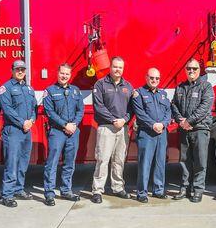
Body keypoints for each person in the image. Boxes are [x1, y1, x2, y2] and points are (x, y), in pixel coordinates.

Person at [90, 56, 134, 204]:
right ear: (110, 67)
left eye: (120, 67)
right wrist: (113, 120)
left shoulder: (128, 86)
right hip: (106, 127)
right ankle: (97, 190)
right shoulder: (100, 84)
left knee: (119, 160)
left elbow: (132, 108)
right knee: (102, 159)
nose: (117, 69)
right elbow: (98, 106)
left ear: (123, 69)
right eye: (115, 66)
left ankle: (117, 187)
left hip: (122, 128)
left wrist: (125, 120)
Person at [171, 59, 214, 202]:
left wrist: (188, 121)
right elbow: (174, 105)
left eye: (194, 69)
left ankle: (197, 190)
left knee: (200, 161)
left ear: (199, 70)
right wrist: (181, 121)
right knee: (184, 160)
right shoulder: (180, 87)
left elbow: (205, 107)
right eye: (189, 68)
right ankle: (184, 188)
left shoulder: (206, 86)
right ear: (185, 70)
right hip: (184, 130)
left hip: (200, 129)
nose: (191, 71)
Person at [42, 63, 84, 204]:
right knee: (52, 162)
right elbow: (50, 112)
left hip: (73, 132)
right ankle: (49, 193)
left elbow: (80, 111)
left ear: (70, 75)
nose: (64, 76)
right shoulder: (50, 91)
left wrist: (73, 125)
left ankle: (66, 190)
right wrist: (65, 125)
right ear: (57, 73)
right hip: (57, 132)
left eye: (67, 74)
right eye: (62, 73)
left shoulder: (76, 91)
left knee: (69, 163)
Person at [0, 60, 37, 207]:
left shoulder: (28, 88)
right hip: (13, 130)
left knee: (23, 161)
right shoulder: (6, 88)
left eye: (22, 69)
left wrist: (32, 120)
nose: (20, 71)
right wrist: (22, 122)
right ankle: (7, 194)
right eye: (17, 69)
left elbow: (34, 107)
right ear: (12, 70)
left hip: (27, 130)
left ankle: (19, 189)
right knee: (12, 162)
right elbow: (7, 109)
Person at [132, 68, 171, 203]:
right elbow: (140, 113)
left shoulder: (163, 94)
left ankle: (158, 190)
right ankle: (142, 192)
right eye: (152, 78)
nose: (154, 81)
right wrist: (153, 124)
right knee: (145, 163)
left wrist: (164, 124)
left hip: (162, 133)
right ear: (146, 77)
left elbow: (168, 112)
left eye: (157, 78)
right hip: (146, 133)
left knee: (160, 163)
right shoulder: (139, 93)